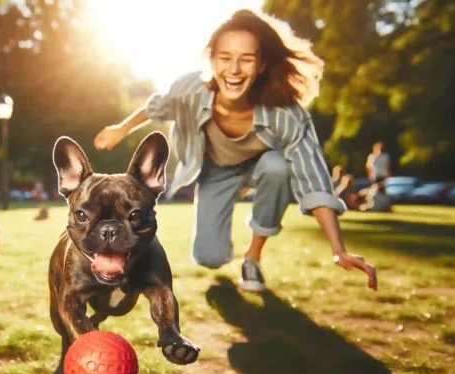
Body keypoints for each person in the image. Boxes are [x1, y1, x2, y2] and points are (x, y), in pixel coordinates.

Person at [94, 9, 377, 292]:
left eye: (247, 59)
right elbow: (157, 107)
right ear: (212, 59)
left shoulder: (286, 113)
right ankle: (222, 237)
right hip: (215, 170)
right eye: (225, 58)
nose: (234, 70)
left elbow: (313, 176)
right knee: (209, 258)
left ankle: (252, 258)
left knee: (278, 166)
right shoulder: (190, 89)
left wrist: (338, 248)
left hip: (261, 167)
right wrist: (120, 128)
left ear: (262, 64)